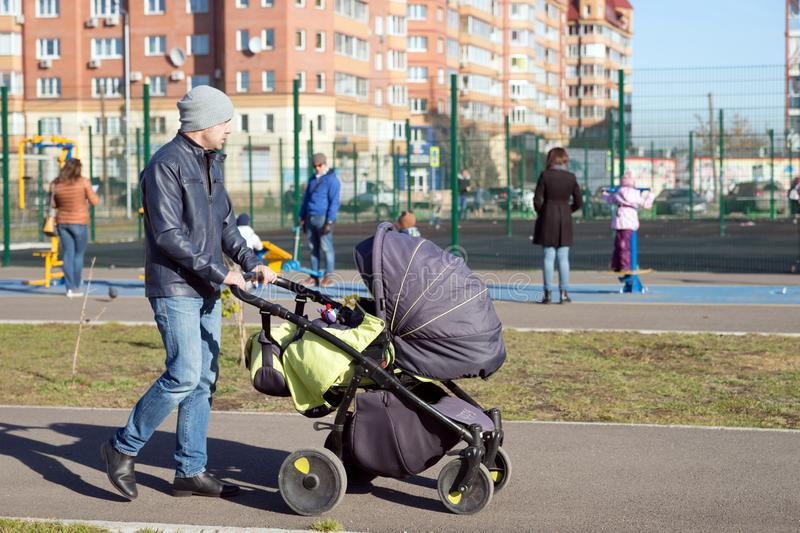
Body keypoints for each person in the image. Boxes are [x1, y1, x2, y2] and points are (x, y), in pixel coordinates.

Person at [100, 85, 276, 501]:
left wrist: (251, 263)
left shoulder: (212, 162)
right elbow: (168, 235)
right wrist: (222, 272)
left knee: (203, 380)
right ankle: (121, 448)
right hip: (174, 285)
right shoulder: (165, 165)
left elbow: (226, 226)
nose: (231, 129)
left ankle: (190, 471)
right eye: (226, 121)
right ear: (204, 123)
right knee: (182, 374)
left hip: (205, 286)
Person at [533, 147, 582, 304]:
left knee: (548, 256)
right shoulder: (571, 177)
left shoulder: (545, 175)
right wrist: (568, 210)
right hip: (565, 218)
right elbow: (579, 202)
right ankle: (563, 293)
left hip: (548, 216)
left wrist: (544, 212)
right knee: (563, 257)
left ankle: (547, 294)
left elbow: (537, 200)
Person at [49, 158, 99, 298]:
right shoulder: (83, 181)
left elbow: (53, 204)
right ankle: (77, 286)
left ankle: (69, 288)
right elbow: (94, 200)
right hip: (80, 222)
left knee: (67, 255)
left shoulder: (56, 183)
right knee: (78, 255)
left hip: (63, 222)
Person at [298, 153, 340, 287]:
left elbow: (334, 202)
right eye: (315, 166)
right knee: (313, 248)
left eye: (319, 165)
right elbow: (306, 200)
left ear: (325, 164)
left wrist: (329, 221)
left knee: (327, 248)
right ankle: (314, 276)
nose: (317, 168)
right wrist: (302, 217)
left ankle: (328, 276)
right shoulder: (312, 179)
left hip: (323, 218)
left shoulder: (332, 180)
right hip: (310, 217)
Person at [602, 170, 655, 273]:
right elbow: (646, 204)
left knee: (619, 244)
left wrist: (604, 194)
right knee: (624, 245)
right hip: (627, 221)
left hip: (621, 220)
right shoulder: (632, 193)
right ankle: (625, 265)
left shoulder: (618, 192)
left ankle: (617, 264)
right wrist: (650, 195)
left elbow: (609, 199)